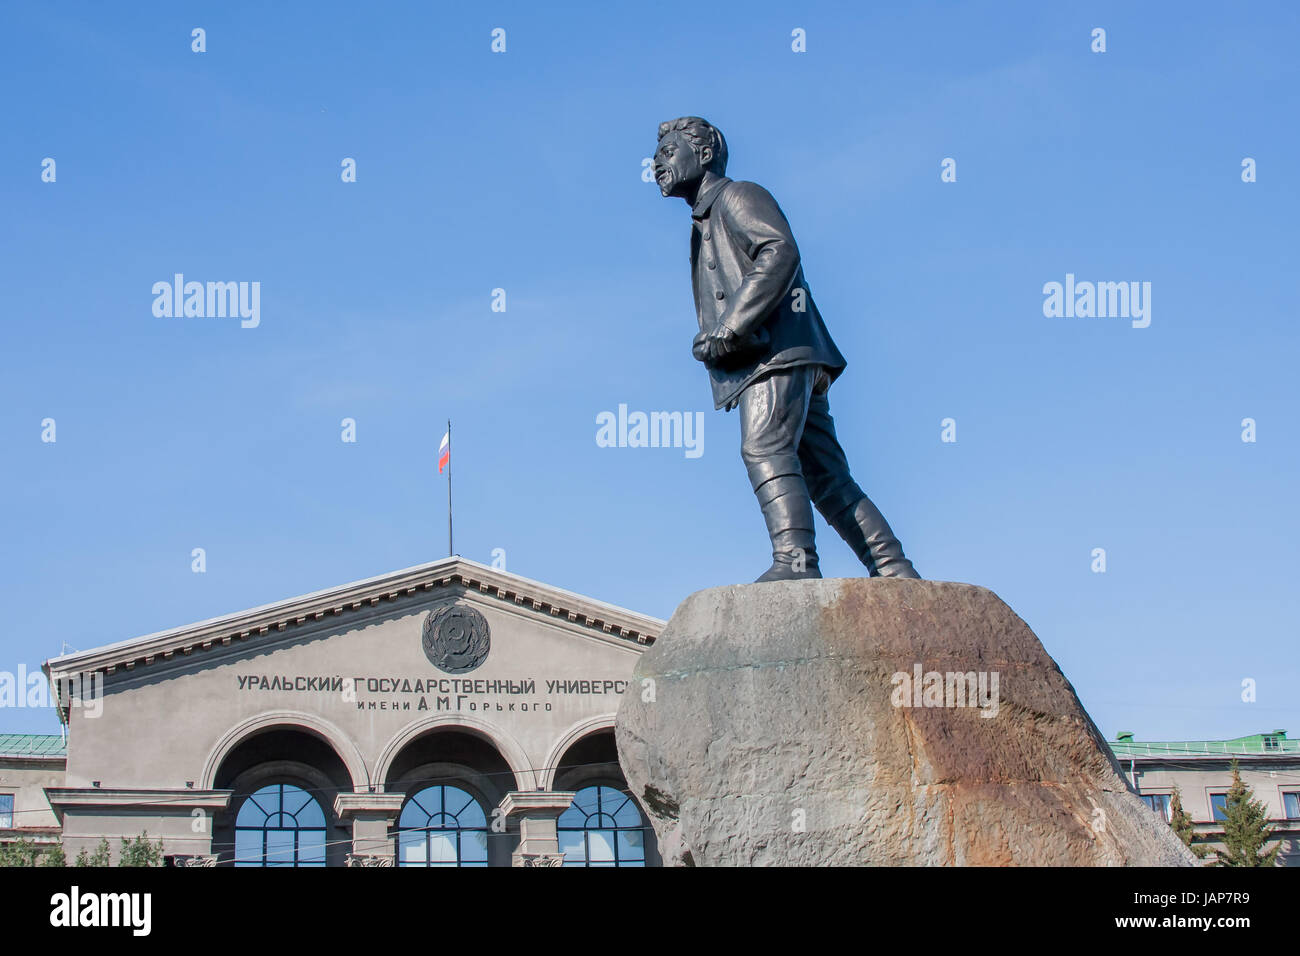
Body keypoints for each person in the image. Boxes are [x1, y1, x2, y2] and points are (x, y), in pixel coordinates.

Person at [653, 116, 920, 582]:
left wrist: (731, 327)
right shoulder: (703, 221)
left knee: (764, 447)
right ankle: (894, 568)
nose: (658, 163)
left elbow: (780, 250)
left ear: (705, 153)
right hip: (783, 357)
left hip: (774, 355)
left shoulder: (737, 196)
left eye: (669, 152)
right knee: (826, 477)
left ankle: (796, 564)